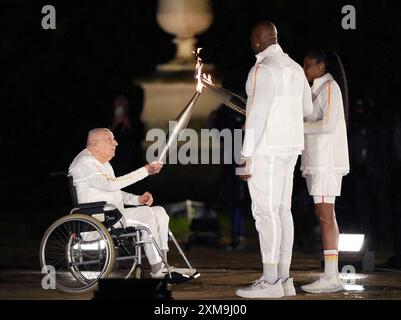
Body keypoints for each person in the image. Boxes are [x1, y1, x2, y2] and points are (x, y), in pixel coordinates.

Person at [236, 21, 313, 299]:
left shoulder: (262, 69)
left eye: (251, 38)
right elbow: (307, 108)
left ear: (258, 39)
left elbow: (255, 117)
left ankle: (270, 283)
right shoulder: (294, 67)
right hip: (291, 147)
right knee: (282, 211)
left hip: (266, 149)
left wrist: (244, 156)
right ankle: (283, 279)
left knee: (265, 213)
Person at [68, 128, 193, 279]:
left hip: (112, 214)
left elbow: (112, 191)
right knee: (146, 214)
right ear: (95, 144)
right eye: (110, 140)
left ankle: (163, 265)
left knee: (159, 211)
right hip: (97, 219)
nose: (116, 143)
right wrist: (145, 171)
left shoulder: (103, 164)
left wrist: (137, 199)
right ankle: (157, 268)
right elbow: (110, 185)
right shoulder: (85, 162)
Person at [300, 49, 350, 293]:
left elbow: (328, 125)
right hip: (318, 162)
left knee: (325, 216)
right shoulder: (318, 88)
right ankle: (331, 275)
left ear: (321, 67)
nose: (304, 69)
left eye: (308, 65)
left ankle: (331, 277)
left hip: (325, 163)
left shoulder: (329, 87)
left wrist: (298, 127)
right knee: (326, 216)